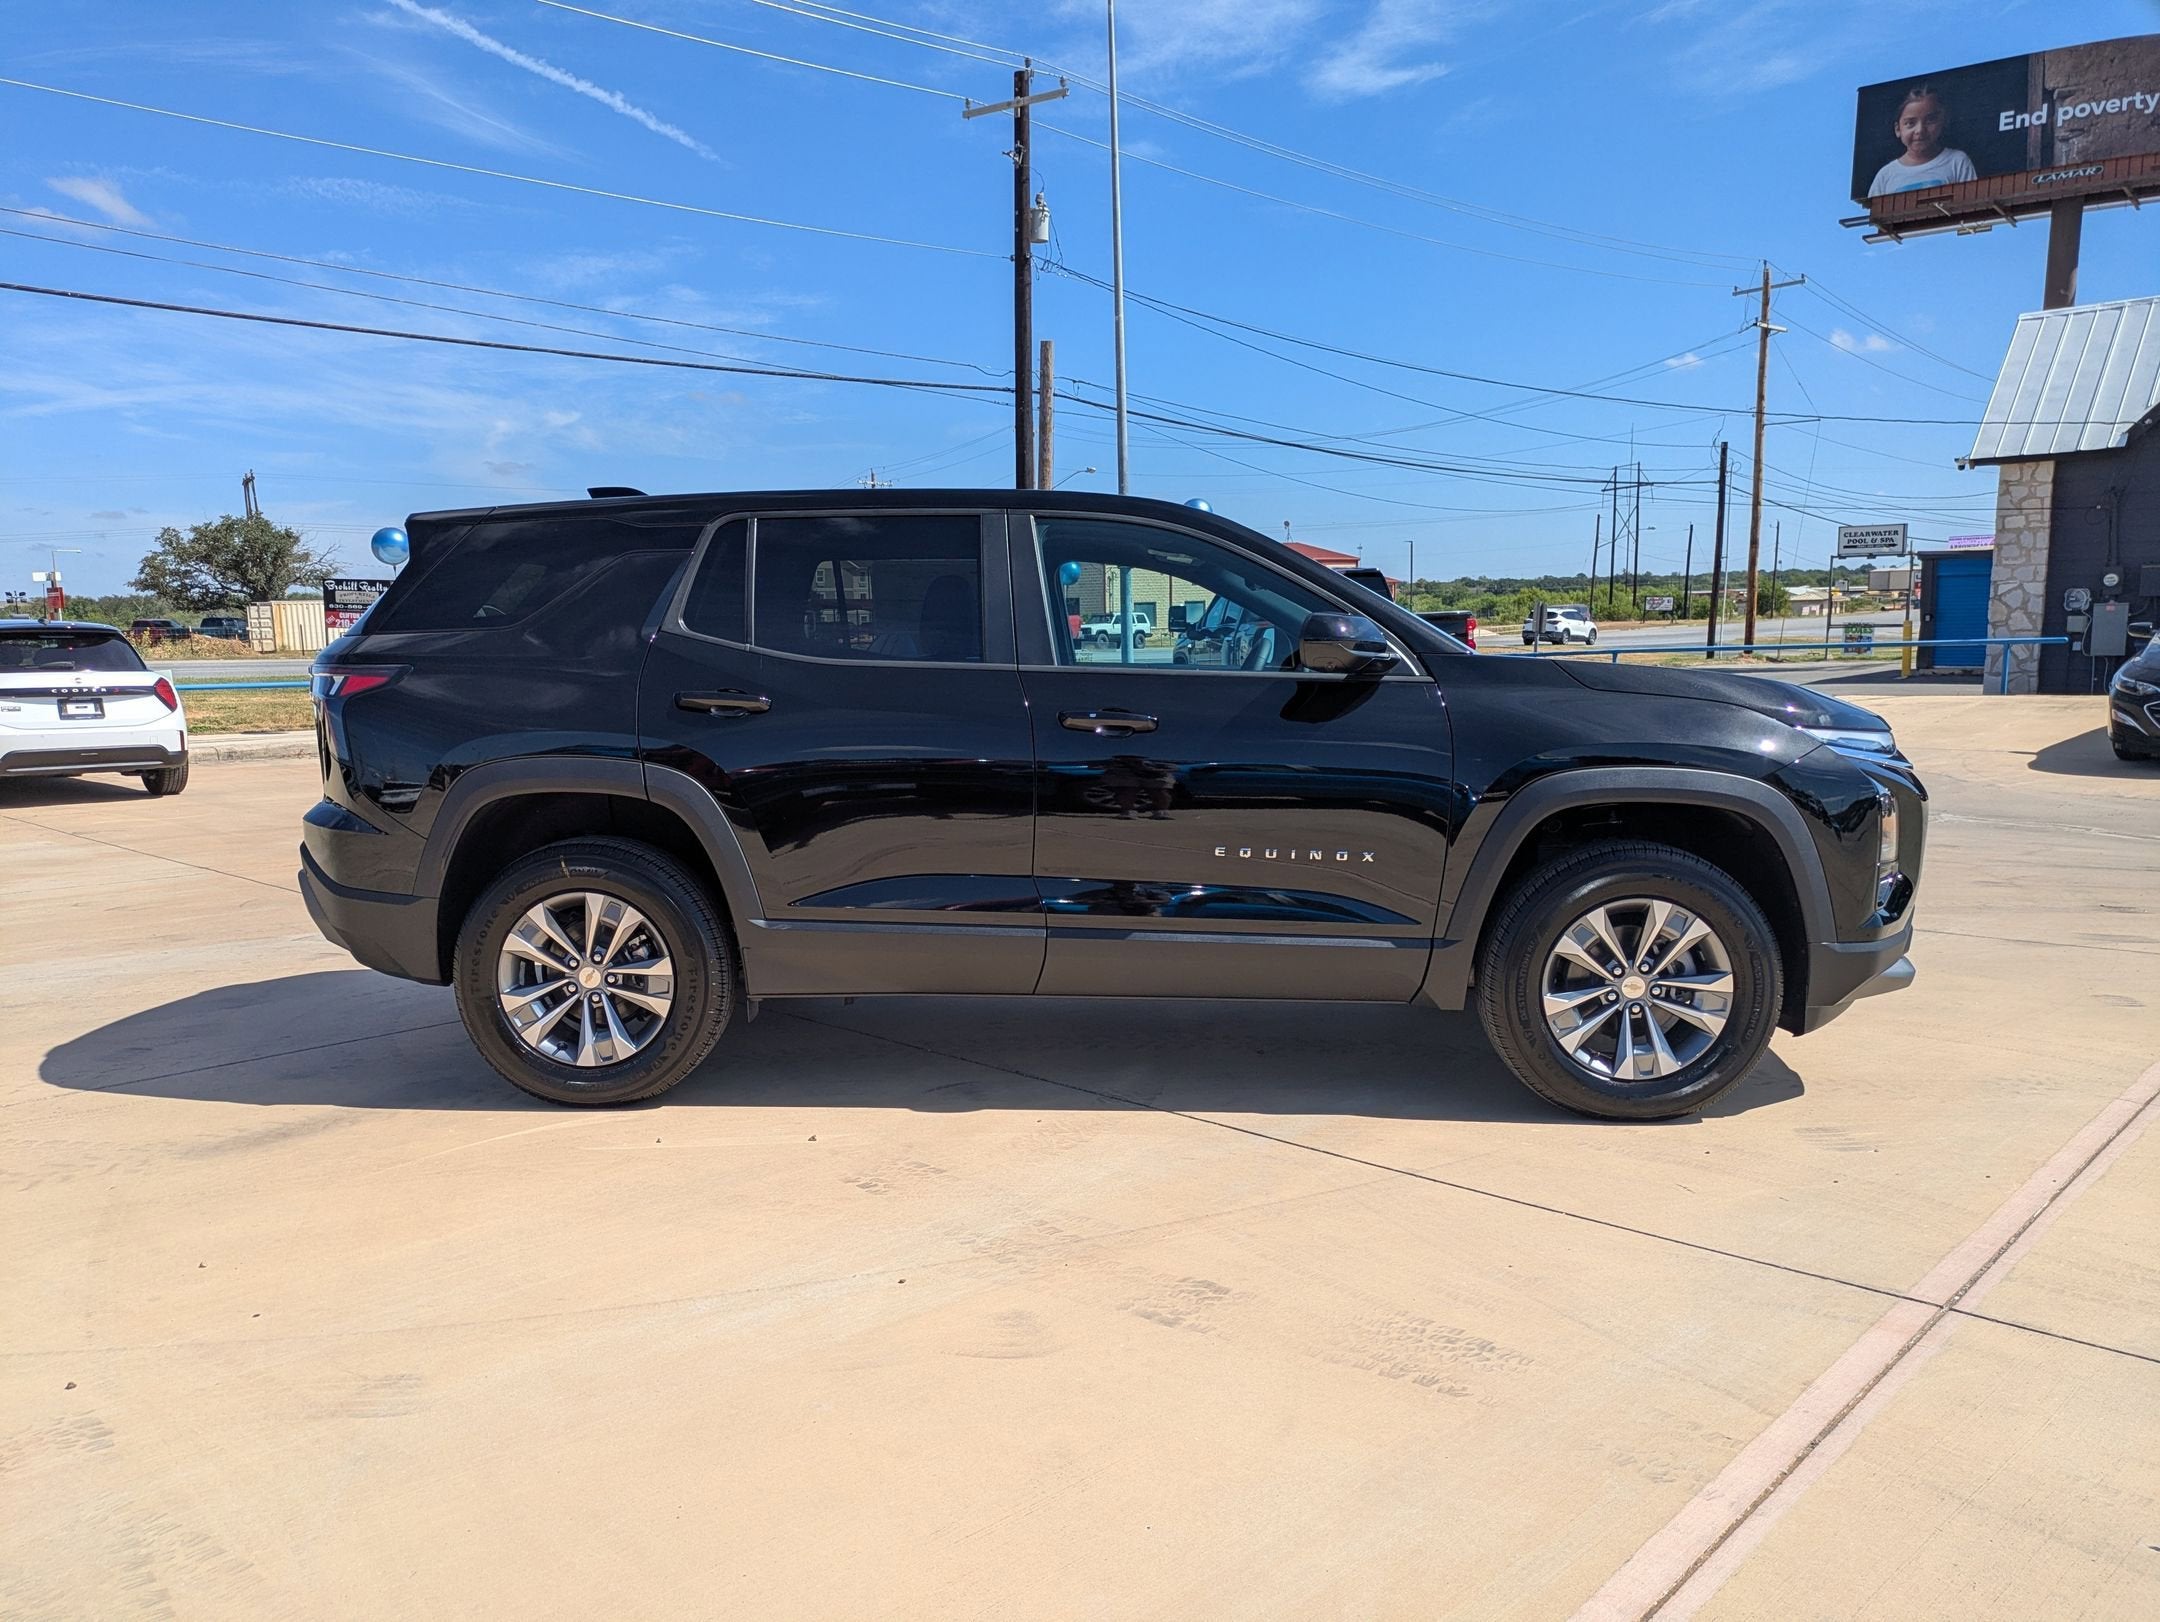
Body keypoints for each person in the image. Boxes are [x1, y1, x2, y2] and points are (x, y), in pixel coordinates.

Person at [1868, 85, 1977, 197]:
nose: (1920, 130)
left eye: (1930, 120)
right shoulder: (1886, 175)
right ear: (1898, 129)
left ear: (1943, 122)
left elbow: (1972, 203)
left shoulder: (1957, 162)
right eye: (1910, 123)